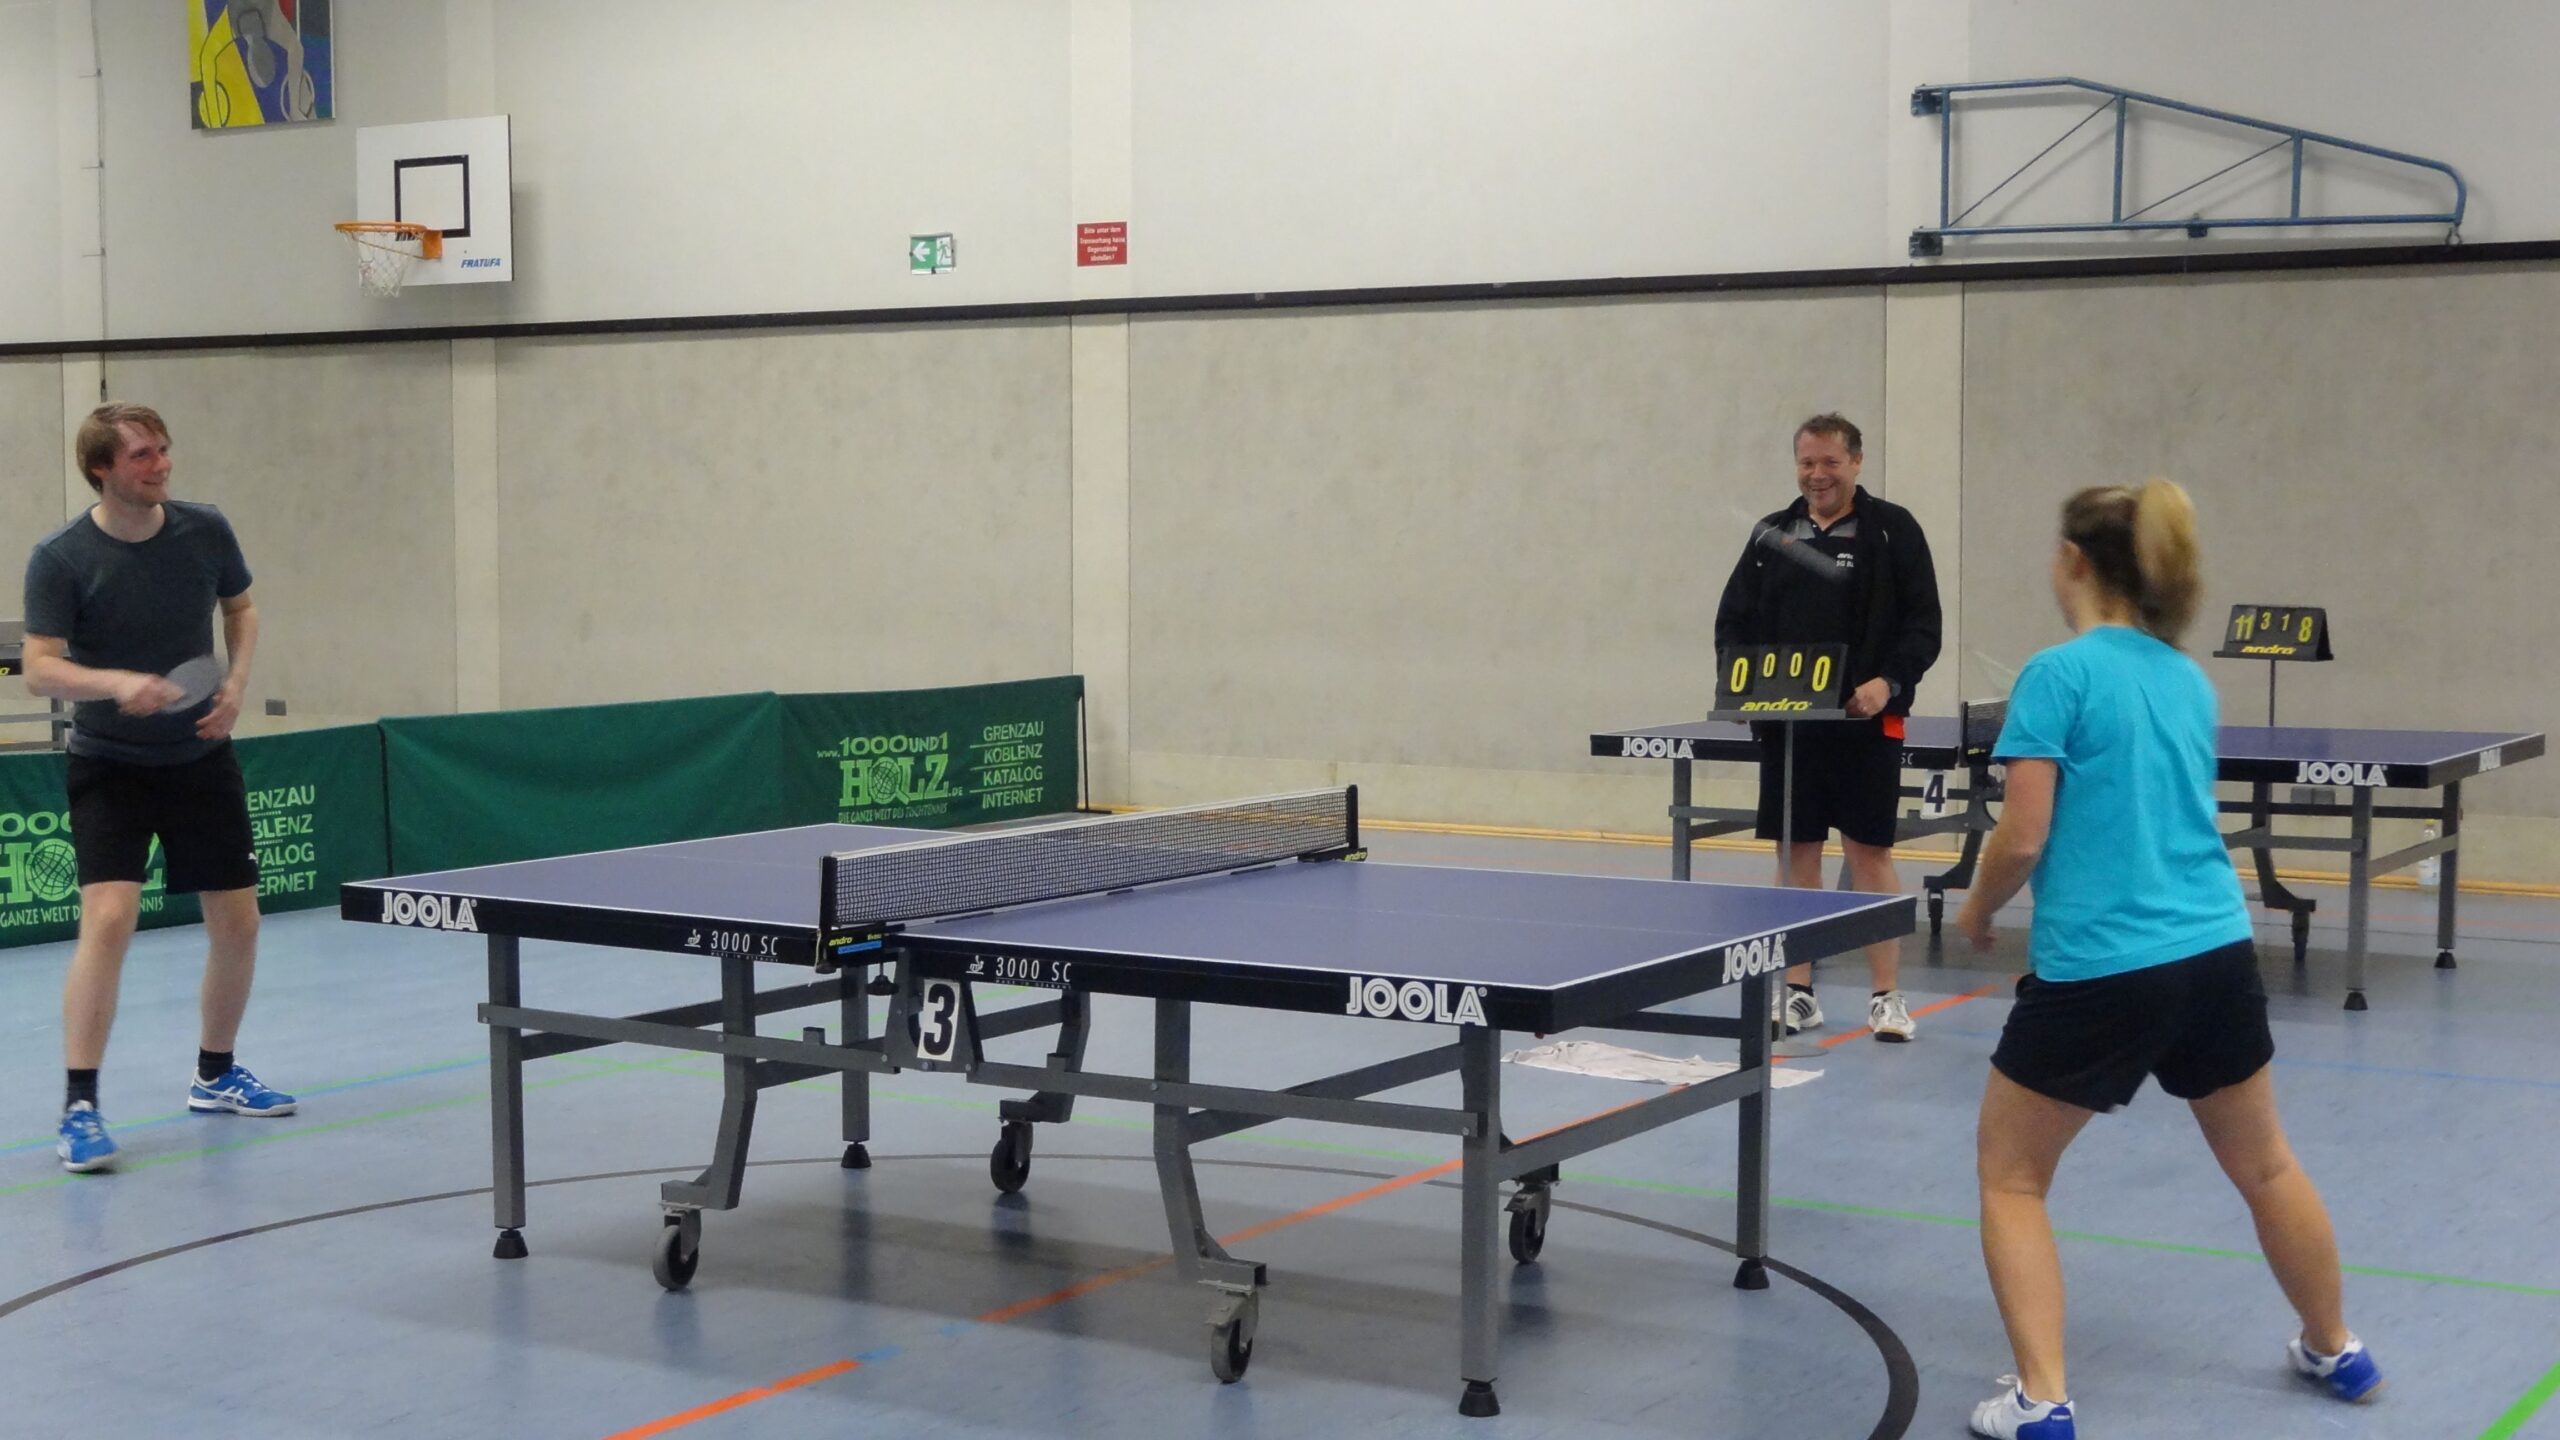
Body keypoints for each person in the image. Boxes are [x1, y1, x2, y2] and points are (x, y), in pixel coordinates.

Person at [1952, 481, 2379, 1438]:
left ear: (2072, 560)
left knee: (2011, 1176)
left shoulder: (2055, 675)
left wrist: (1976, 909)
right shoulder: (2187, 678)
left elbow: (2023, 836)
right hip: (2216, 953)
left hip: (2105, 967)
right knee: (2266, 1165)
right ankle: (2336, 1346)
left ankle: (2041, 1401)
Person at [23, 403, 294, 1175]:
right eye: (142, 455)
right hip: (110, 764)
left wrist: (236, 682)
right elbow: (39, 666)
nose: (161, 464)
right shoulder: (61, 557)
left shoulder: (205, 529)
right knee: (109, 919)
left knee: (238, 924)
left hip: (201, 756)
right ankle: (80, 1107)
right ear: (101, 469)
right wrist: (115, 683)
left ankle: (215, 1074)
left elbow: (241, 608)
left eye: (164, 450)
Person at [1713, 413, 1941, 1042]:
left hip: (1868, 723)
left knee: (1870, 854)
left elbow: (1923, 626)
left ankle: (1886, 997)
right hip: (1790, 729)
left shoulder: (1894, 530)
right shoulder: (1773, 535)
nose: (1818, 475)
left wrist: (1887, 682)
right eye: (1807, 463)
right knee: (1797, 854)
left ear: (1856, 462)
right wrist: (1740, 686)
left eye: (1830, 462)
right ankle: (1798, 992)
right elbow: (1733, 622)